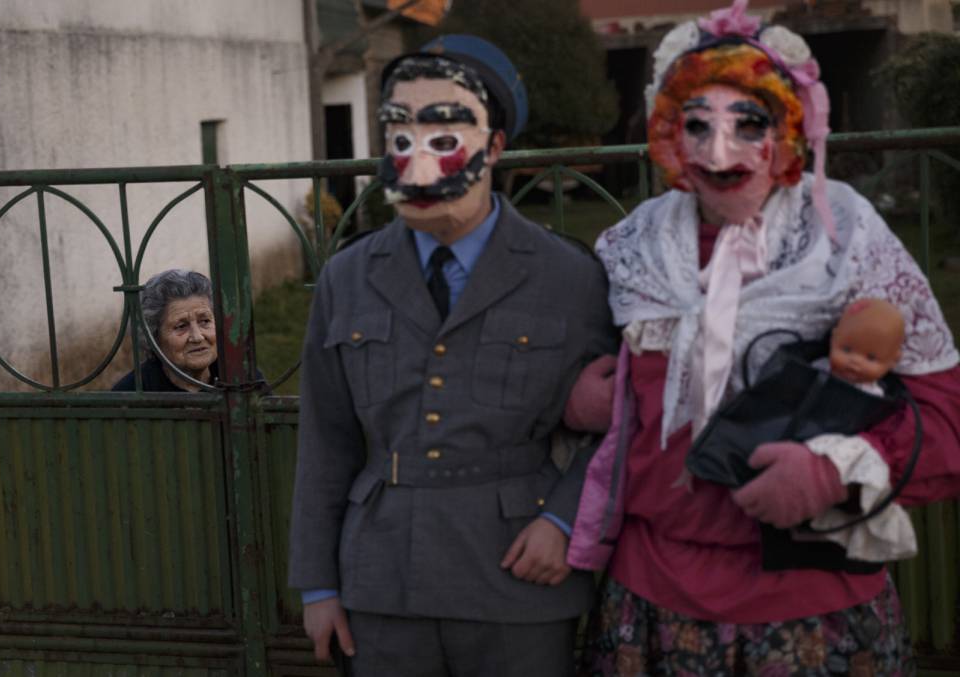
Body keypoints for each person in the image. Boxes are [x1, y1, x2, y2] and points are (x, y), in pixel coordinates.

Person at [567, 1, 960, 673]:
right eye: (697, 125)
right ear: (669, 135)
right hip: (651, 606)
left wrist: (836, 469)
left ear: (791, 131)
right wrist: (574, 404)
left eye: (750, 124)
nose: (720, 151)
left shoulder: (848, 240)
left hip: (816, 609)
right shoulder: (630, 249)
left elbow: (946, 421)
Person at [288, 35, 618, 677]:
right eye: (398, 138)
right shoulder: (348, 276)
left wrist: (567, 517)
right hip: (382, 583)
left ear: (494, 147)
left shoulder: (569, 276)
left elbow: (633, 418)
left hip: (519, 575)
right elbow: (325, 438)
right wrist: (319, 586)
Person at [112, 269, 217, 392]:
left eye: (205, 321)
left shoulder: (237, 377)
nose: (198, 337)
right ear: (153, 337)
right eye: (181, 326)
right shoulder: (131, 393)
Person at [825, 297, 905, 395]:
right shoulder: (819, 368)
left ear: (893, 361)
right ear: (833, 339)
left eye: (870, 358)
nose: (855, 361)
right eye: (846, 349)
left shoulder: (872, 395)